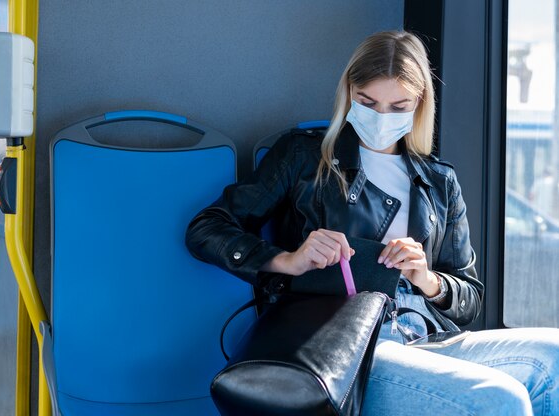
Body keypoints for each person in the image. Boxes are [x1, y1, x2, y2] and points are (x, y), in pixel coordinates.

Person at [185, 30, 559, 416]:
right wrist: (287, 260)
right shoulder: (303, 157)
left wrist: (427, 280)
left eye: (398, 107)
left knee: (556, 357)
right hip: (350, 346)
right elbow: (207, 228)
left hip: (426, 337)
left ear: (419, 104)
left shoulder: (438, 181)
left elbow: (469, 299)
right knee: (500, 400)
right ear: (349, 93)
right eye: (368, 102)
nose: (382, 118)